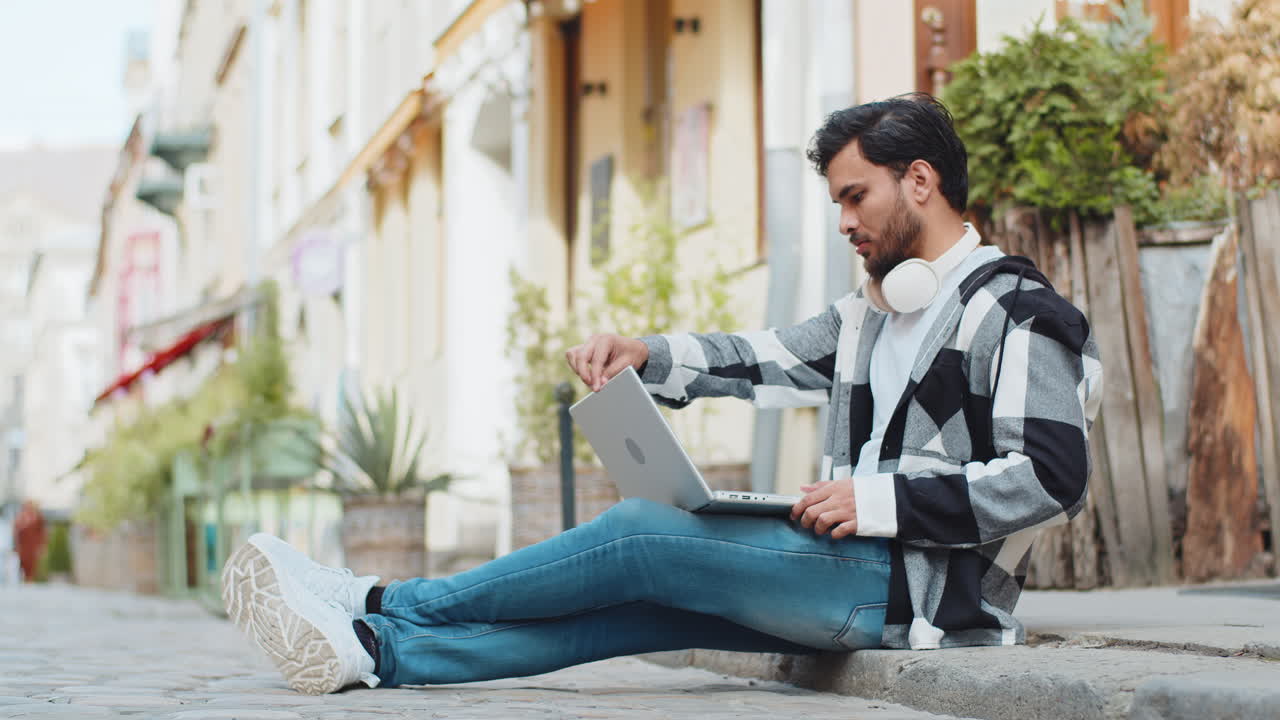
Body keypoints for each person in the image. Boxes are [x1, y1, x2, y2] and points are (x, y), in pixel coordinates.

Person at [222, 93, 1103, 695]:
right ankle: (377, 654)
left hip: (919, 594)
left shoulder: (1018, 312)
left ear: (921, 180)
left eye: (854, 196)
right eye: (836, 202)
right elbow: (760, 357)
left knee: (642, 535)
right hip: (847, 573)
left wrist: (876, 499)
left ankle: (377, 600)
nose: (843, 221)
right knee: (637, 613)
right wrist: (647, 356)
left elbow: (1053, 475)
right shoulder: (872, 312)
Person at [14, 500, 46, 583]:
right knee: (23, 563)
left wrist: (42, 545)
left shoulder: (38, 517)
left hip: (33, 546)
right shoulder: (20, 517)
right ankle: (24, 579)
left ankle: (30, 580)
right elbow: (16, 532)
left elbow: (42, 532)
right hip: (23, 546)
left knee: (32, 564)